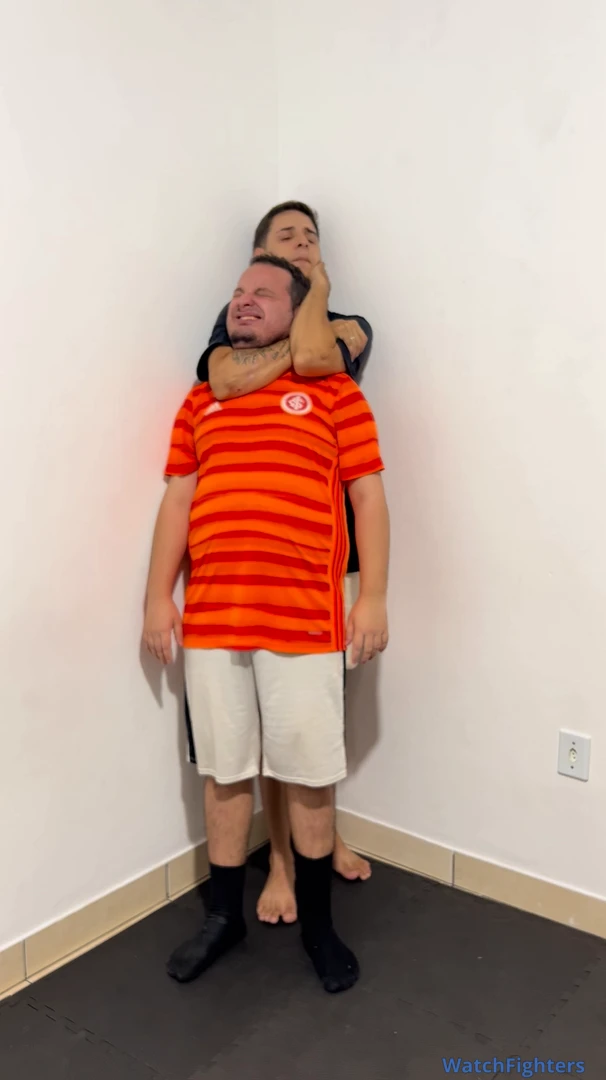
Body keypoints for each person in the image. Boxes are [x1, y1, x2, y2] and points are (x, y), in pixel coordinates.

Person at [143, 255, 389, 993]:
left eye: (263, 292)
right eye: (237, 292)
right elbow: (177, 500)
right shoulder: (201, 399)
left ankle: (319, 928)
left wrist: (374, 596)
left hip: (305, 619)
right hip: (213, 619)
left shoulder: (336, 392)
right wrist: (157, 597)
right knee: (223, 773)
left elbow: (368, 498)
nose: (244, 301)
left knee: (309, 777)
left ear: (298, 309)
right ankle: (223, 918)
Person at [196, 201, 374, 926]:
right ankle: (277, 861)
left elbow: (323, 361)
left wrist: (319, 300)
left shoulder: (350, 320)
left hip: (326, 552)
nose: (302, 245)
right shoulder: (235, 321)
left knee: (312, 722)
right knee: (255, 726)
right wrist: (300, 339)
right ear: (257, 255)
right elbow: (224, 379)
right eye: (285, 237)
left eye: (311, 238)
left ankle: (319, 844)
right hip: (243, 573)